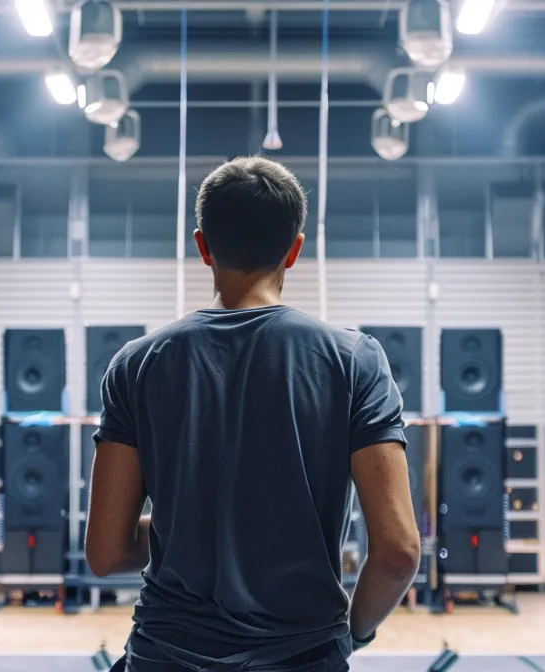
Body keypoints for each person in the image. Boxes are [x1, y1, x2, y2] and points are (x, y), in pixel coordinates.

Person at [85, 156, 422, 672]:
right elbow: (399, 552)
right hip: (305, 657)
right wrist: (352, 634)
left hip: (165, 657)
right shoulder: (354, 361)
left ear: (202, 246)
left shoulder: (137, 365)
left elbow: (106, 552)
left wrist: (189, 530)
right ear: (294, 250)